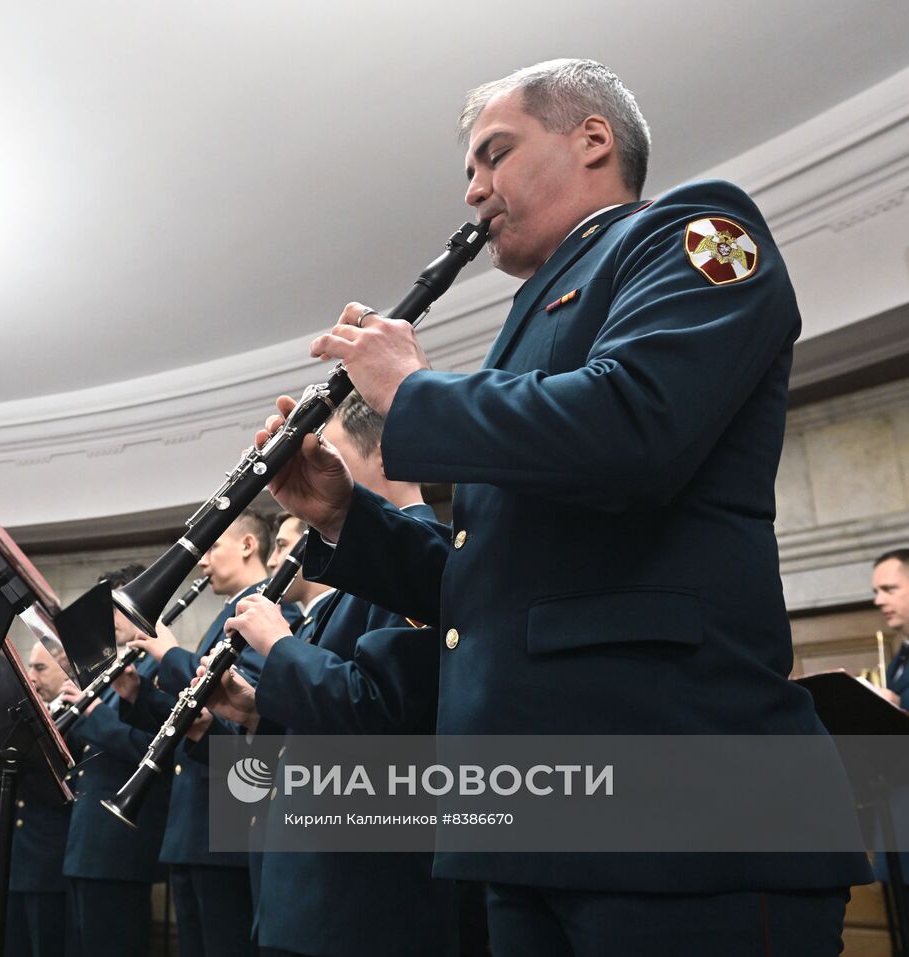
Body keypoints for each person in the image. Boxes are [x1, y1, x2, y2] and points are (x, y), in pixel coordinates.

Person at [262, 58, 871, 954]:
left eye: (495, 154)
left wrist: (417, 391)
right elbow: (490, 584)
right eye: (470, 169)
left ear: (592, 139)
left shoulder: (693, 230)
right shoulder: (525, 323)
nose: (474, 190)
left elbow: (634, 426)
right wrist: (342, 514)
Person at [208, 397, 460, 957]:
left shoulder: (423, 562)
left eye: (326, 451)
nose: (311, 468)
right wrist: (256, 709)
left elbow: (378, 709)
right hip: (308, 889)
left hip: (359, 900)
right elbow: (323, 726)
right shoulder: (356, 574)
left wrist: (279, 646)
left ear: (385, 453)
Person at [119, 511, 300, 957]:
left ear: (247, 545)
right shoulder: (230, 612)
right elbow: (196, 713)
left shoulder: (272, 611)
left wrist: (169, 653)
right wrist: (137, 692)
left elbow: (240, 702)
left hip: (227, 819)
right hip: (195, 825)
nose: (202, 561)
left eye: (213, 547)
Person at [59, 563, 170, 957]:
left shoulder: (160, 665)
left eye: (116, 607)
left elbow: (159, 749)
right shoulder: (115, 664)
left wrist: (94, 716)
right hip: (88, 840)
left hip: (119, 844)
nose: (108, 620)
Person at [4, 643, 74, 957]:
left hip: (51, 860)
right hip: (20, 859)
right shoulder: (35, 714)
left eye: (40, 668)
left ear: (66, 668)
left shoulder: (80, 715)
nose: (31, 677)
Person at [872, 548, 909, 707]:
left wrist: (900, 704)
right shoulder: (900, 658)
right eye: (876, 592)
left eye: (889, 589)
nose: (878, 601)